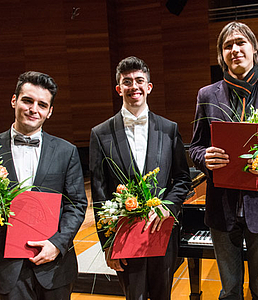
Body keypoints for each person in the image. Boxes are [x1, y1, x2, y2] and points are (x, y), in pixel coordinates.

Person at [189, 22, 258, 300]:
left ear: (254, 49)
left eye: (240, 43)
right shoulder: (207, 95)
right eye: (227, 46)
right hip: (221, 209)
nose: (235, 50)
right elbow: (194, 147)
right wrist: (204, 157)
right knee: (229, 292)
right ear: (221, 55)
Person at [0, 71, 88, 300]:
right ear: (14, 100)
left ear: (50, 112)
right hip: (7, 267)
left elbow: (76, 205)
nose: (34, 109)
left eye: (42, 105)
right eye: (27, 100)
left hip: (55, 265)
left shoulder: (66, 151)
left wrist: (57, 243)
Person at [89, 56, 191, 300]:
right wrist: (108, 244)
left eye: (139, 80)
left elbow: (182, 179)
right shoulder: (100, 133)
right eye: (127, 82)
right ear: (119, 89)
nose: (133, 86)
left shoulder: (169, 129)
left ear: (149, 86)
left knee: (162, 295)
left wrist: (168, 208)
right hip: (123, 236)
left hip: (163, 231)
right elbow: (100, 194)